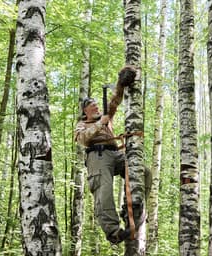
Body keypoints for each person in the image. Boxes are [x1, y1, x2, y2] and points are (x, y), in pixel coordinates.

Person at [74, 66, 137, 245]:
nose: (95, 106)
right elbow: (83, 139)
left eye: (95, 104)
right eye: (91, 106)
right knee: (104, 191)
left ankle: (136, 205)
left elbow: (115, 100)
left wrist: (121, 83)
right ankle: (113, 231)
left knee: (142, 172)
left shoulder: (106, 116)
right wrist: (99, 124)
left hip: (116, 154)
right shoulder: (82, 124)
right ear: (85, 111)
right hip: (98, 157)